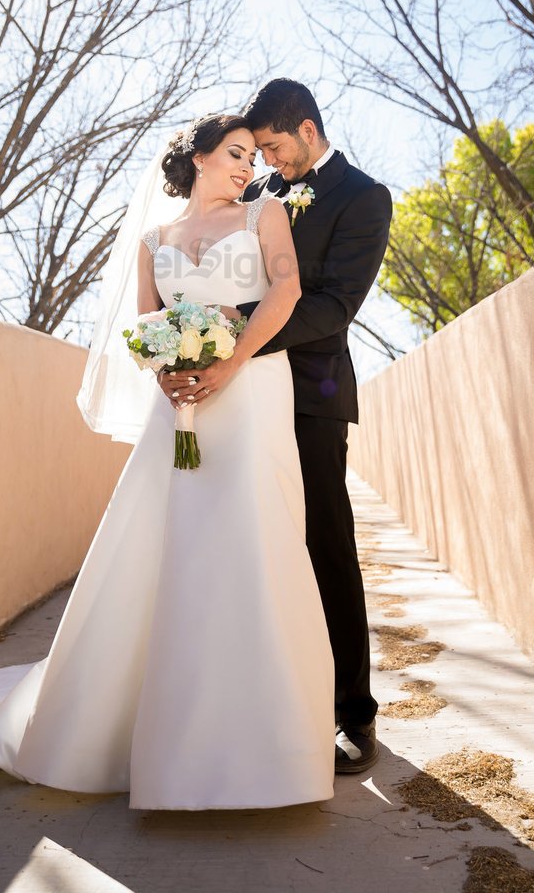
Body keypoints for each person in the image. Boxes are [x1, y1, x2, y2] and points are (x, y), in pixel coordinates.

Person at [0, 113, 337, 811]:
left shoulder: (265, 213)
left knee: (254, 540)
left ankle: (267, 751)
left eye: (252, 154)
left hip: (251, 394)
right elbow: (145, 328)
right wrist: (170, 376)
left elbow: (286, 293)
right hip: (179, 405)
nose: (248, 166)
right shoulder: (155, 241)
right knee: (169, 546)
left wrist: (230, 363)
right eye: (235, 154)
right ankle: (156, 742)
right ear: (199, 158)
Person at [158, 81, 392, 774]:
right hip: (242, 396)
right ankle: (261, 697)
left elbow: (333, 306)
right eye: (255, 149)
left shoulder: (363, 196)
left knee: (325, 544)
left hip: (311, 395)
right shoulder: (257, 193)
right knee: (244, 547)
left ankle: (355, 713)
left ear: (309, 130)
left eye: (273, 146)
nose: (263, 160)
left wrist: (238, 332)